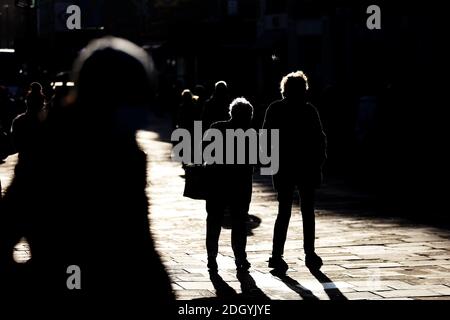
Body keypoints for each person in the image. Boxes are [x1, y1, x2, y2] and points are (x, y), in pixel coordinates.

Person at [0, 37, 174, 309]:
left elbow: (136, 241)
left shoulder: (124, 150)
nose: (142, 109)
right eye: (134, 96)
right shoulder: (51, 149)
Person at [263, 71, 327, 273]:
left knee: (284, 212)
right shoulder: (309, 110)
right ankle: (309, 252)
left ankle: (277, 255)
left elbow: (266, 138)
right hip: (306, 167)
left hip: (284, 167)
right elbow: (320, 138)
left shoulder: (275, 108)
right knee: (307, 211)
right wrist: (319, 162)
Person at [204, 98, 254, 273]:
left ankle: (212, 257)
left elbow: (205, 153)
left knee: (214, 220)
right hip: (240, 184)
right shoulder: (250, 133)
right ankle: (240, 257)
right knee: (239, 221)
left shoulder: (216, 127)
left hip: (216, 183)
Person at [10, 82, 47, 157]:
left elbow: (16, 144)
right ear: (42, 104)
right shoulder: (48, 121)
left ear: (27, 103)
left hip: (24, 159)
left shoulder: (18, 121)